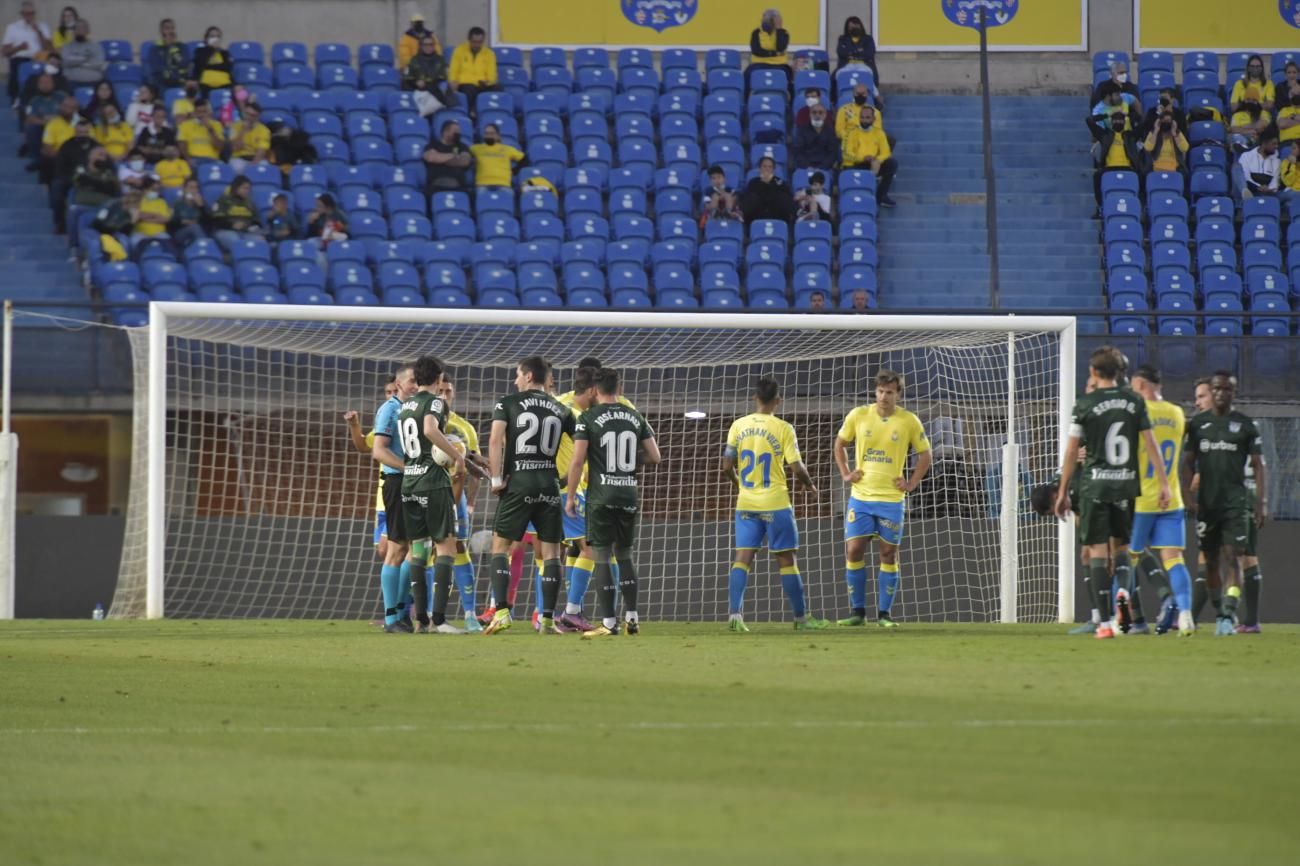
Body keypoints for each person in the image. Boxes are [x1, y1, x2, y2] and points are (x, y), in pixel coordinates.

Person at [1054, 347, 1168, 640]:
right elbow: (1151, 444)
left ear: (1093, 372)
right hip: (1127, 484)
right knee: (1122, 549)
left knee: (1096, 551)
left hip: (1095, 485)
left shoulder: (1085, 404)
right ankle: (1122, 590)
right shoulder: (1134, 401)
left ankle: (1104, 623)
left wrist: (1063, 490)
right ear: (1120, 372)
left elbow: (1070, 450)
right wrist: (1165, 483)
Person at [719, 376, 828, 633]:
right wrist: (809, 484)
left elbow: (725, 466)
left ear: (755, 398)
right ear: (778, 401)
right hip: (775, 502)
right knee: (787, 560)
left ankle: (735, 615)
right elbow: (796, 466)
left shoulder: (738, 425)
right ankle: (801, 620)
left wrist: (740, 485)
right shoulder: (784, 428)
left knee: (742, 558)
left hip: (746, 503)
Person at [565, 368, 661, 638]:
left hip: (602, 496)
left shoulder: (588, 418)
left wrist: (571, 496)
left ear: (595, 390)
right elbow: (655, 456)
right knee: (626, 555)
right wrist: (629, 462)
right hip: (629, 493)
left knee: (603, 556)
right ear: (619, 387)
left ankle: (609, 622)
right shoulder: (634, 415)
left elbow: (577, 460)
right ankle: (633, 618)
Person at [482, 355, 574, 635]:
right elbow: (585, 445)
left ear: (529, 376)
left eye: (518, 374)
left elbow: (496, 440)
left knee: (500, 547)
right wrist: (565, 479)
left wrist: (496, 479)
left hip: (517, 484)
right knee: (551, 554)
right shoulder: (562, 409)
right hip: (548, 485)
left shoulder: (507, 403)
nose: (515, 380)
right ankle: (546, 618)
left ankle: (501, 613)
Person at [833, 369, 932, 628]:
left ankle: (885, 615)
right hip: (861, 497)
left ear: (898, 394)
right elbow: (839, 444)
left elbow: (925, 455)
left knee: (888, 554)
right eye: (879, 391)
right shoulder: (859, 415)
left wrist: (910, 483)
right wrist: (846, 473)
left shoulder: (909, 421)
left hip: (891, 500)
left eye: (889, 392)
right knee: (854, 550)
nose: (883, 396)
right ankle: (857, 612)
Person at [1186, 373, 1267, 637]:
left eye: (1226, 389)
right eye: (1216, 389)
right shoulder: (1198, 425)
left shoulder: (1244, 426)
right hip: (1207, 505)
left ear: (1234, 392)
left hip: (1236, 503)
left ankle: (1227, 614)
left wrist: (1260, 502)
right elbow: (1186, 462)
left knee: (1236, 558)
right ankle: (1220, 611)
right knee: (1209, 562)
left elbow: (1258, 466)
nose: (1221, 394)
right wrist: (1188, 497)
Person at [398, 355, 470, 634]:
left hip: (410, 483)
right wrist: (458, 458)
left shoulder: (406, 406)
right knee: (446, 548)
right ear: (439, 379)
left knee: (418, 551)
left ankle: (421, 621)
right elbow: (429, 429)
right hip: (433, 483)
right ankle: (439, 620)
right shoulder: (437, 402)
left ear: (416, 378)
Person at [1127, 365, 1195, 636]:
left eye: (1133, 387)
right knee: (1174, 559)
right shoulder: (1177, 413)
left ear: (1142, 385)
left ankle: (1121, 619)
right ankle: (1187, 615)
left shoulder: (1137, 413)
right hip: (1172, 498)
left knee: (1127, 560)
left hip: (1141, 498)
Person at [435, 376, 486, 632]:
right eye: (440, 390)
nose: (444, 395)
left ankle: (469, 614)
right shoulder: (427, 420)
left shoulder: (464, 428)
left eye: (448, 391)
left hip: (456, 495)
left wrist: (471, 503)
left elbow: (475, 469)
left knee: (458, 550)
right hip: (428, 491)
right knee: (423, 552)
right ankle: (425, 614)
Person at [372, 362, 416, 633]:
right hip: (397, 482)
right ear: (399, 384)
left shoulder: (414, 410)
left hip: (414, 483)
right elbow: (379, 450)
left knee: (413, 550)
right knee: (397, 549)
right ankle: (390, 618)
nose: (415, 385)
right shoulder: (390, 409)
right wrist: (408, 467)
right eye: (412, 381)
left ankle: (401, 613)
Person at [842, 104, 897, 207]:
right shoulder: (851, 133)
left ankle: (881, 197)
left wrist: (877, 160)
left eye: (867, 118)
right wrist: (862, 158)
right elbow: (847, 154)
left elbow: (886, 152)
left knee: (892, 164)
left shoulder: (879, 133)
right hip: (856, 164)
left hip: (874, 164)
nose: (864, 120)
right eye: (862, 117)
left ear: (873, 119)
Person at [1086, 104, 1142, 204]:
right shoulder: (1105, 135)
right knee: (1097, 176)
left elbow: (1144, 123)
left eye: (1121, 120)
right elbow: (1089, 120)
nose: (1118, 122)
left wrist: (1128, 114)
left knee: (1142, 176)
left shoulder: (1130, 136)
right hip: (1109, 168)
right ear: (1111, 122)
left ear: (1124, 122)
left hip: (1127, 167)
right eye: (1115, 120)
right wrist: (1106, 115)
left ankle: (1139, 206)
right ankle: (1100, 207)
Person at [48, 114, 94, 232]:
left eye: (85, 132)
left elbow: (103, 165)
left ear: (89, 132)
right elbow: (59, 166)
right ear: (75, 132)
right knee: (57, 187)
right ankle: (60, 223)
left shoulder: (96, 146)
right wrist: (71, 176)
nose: (82, 135)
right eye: (80, 132)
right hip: (68, 177)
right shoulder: (67, 145)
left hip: (91, 178)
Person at [3, 2, 53, 104]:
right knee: (17, 75)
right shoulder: (13, 27)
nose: (29, 16)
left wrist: (38, 32)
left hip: (39, 60)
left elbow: (49, 48)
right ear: (21, 14)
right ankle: (16, 100)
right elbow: (4, 52)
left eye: (31, 13)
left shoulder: (42, 26)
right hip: (19, 60)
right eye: (26, 13)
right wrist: (18, 48)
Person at [448, 26, 498, 115]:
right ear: (469, 40)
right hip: (465, 84)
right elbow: (453, 69)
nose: (477, 45)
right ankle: (470, 113)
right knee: (470, 89)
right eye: (474, 42)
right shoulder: (459, 51)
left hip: (482, 85)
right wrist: (453, 81)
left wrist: (488, 82)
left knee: (498, 87)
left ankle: (476, 110)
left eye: (480, 42)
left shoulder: (489, 54)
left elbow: (492, 74)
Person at [21, 72, 63, 171]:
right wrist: (46, 122)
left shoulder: (61, 97)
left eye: (48, 82)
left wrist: (54, 121)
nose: (45, 85)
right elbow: (30, 118)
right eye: (42, 83)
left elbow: (70, 113)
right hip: (42, 128)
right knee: (31, 127)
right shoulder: (34, 100)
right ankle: (36, 159)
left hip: (60, 127)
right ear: (38, 85)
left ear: (53, 84)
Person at [210, 175, 262, 251]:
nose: (247, 191)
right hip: (225, 231)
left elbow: (256, 222)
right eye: (245, 188)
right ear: (236, 188)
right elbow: (216, 220)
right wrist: (232, 225)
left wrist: (247, 226)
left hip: (246, 232)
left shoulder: (250, 204)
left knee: (259, 241)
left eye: (249, 189)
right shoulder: (223, 200)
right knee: (236, 242)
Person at [745, 8, 790, 95]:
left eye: (770, 19)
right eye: (765, 18)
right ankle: (747, 101)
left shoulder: (784, 33)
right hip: (759, 63)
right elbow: (756, 51)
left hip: (779, 65)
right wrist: (774, 53)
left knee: (787, 76)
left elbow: (780, 47)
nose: (766, 21)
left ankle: (786, 101)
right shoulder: (756, 32)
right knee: (748, 74)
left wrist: (778, 29)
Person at [739, 155, 794, 223]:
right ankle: (740, 213)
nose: (767, 169)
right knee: (752, 197)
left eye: (770, 167)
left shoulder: (779, 182)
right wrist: (764, 182)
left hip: (777, 211)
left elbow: (786, 196)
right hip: (757, 212)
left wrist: (770, 183)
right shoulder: (753, 181)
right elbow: (751, 196)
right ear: (760, 168)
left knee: (783, 196)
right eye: (764, 166)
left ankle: (799, 214)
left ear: (773, 170)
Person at [422, 119, 471, 194]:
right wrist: (455, 156)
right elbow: (430, 158)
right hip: (435, 186)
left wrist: (439, 157)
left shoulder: (462, 146)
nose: (458, 133)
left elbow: (465, 161)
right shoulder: (432, 146)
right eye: (455, 131)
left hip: (458, 186)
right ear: (445, 132)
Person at [469, 122, 523, 188]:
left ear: (497, 135)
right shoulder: (476, 148)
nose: (489, 136)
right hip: (482, 184)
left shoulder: (507, 149)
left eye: (492, 133)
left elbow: (524, 160)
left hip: (503, 184)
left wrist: (514, 171)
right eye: (486, 133)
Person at [36, 89, 75, 179]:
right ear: (60, 107)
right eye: (65, 106)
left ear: (76, 109)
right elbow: (47, 146)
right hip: (58, 157)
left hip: (78, 158)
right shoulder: (53, 123)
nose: (67, 109)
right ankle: (46, 187)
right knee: (45, 155)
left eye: (70, 107)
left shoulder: (83, 123)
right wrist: (62, 157)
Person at [1142, 103, 1188, 178]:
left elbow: (1185, 148)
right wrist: (1156, 131)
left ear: (1172, 122)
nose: (1166, 123)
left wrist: (1174, 134)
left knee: (1185, 174)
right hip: (1156, 166)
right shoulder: (1154, 133)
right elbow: (1148, 148)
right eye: (1164, 121)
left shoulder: (1177, 133)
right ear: (1159, 122)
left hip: (1175, 167)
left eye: (1168, 121)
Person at [402, 33, 448, 106]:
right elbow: (408, 78)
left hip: (434, 91)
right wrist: (416, 82)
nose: (428, 47)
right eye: (425, 45)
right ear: (421, 46)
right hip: (418, 91)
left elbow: (443, 77)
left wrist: (427, 84)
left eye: (431, 45)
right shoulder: (414, 60)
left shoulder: (440, 60)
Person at [129, 175, 170, 255]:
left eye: (157, 190)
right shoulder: (137, 201)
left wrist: (145, 217)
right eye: (153, 190)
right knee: (135, 245)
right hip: (140, 234)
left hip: (160, 234)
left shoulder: (162, 202)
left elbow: (165, 219)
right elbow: (136, 217)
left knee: (169, 246)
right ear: (145, 189)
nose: (155, 192)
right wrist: (156, 215)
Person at [1235, 129, 1281, 200]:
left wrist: (1268, 188)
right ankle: (1245, 194)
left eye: (1277, 144)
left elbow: (1275, 182)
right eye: (1273, 144)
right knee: (1236, 167)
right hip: (1249, 189)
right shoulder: (1247, 156)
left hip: (1267, 193)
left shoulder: (1277, 161)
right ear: (1264, 143)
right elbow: (1245, 177)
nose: (1276, 146)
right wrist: (1258, 187)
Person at [177, 98, 224, 163]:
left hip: (212, 159)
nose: (202, 115)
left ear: (209, 112)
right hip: (194, 159)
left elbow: (219, 146)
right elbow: (182, 146)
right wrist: (188, 160)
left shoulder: (216, 125)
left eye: (204, 112)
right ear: (194, 113)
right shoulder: (185, 125)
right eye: (199, 112)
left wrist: (209, 129)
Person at [147, 18, 187, 93]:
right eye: (167, 28)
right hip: (161, 83)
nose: (170, 31)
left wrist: (172, 48)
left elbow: (184, 63)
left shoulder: (182, 46)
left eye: (172, 28)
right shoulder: (155, 48)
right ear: (161, 31)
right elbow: (156, 67)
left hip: (179, 82)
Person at [792, 103, 837, 170]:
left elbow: (832, 152)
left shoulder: (830, 131)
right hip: (805, 167)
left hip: (825, 168)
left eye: (820, 113)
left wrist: (822, 167)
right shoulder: (802, 130)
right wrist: (807, 167)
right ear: (810, 115)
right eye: (814, 112)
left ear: (825, 115)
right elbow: (798, 151)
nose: (817, 115)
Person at [227, 101, 269, 173]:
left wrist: (253, 167)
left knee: (264, 167)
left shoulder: (264, 130)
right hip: (239, 158)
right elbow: (235, 148)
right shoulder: (235, 127)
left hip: (255, 158)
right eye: (247, 114)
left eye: (252, 115)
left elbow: (261, 151)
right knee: (235, 167)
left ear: (258, 116)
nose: (249, 117)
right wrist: (243, 131)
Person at [836, 15, 879, 85]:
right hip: (847, 65)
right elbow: (841, 52)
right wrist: (859, 51)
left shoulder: (868, 39)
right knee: (839, 74)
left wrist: (851, 53)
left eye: (856, 26)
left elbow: (869, 53)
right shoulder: (842, 39)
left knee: (864, 74)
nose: (854, 28)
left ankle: (872, 94)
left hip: (864, 65)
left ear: (860, 26)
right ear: (847, 28)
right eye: (851, 27)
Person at [191, 25, 232, 96]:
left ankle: (247, 105)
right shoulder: (200, 51)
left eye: (217, 37)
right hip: (206, 84)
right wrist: (212, 49)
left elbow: (227, 68)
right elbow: (202, 65)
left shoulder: (224, 53)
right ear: (206, 39)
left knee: (241, 93)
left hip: (224, 83)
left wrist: (211, 66)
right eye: (212, 37)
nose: (215, 39)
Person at [60, 17, 102, 85]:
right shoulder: (67, 47)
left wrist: (76, 62)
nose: (80, 30)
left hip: (94, 82)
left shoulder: (96, 46)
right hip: (71, 82)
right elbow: (66, 61)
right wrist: (85, 58)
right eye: (77, 28)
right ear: (74, 31)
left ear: (88, 30)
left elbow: (98, 63)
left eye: (83, 28)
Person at [168, 176, 206, 249]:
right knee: (194, 227)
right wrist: (182, 222)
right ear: (184, 189)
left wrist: (201, 207)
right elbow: (171, 224)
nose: (194, 190)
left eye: (196, 188)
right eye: (191, 187)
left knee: (196, 228)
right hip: (180, 234)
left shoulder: (202, 203)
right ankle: (203, 249)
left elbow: (208, 224)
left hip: (197, 233)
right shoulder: (177, 204)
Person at [1281, 141, 1300, 215]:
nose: (1291, 151)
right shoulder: (1286, 162)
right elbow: (1288, 182)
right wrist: (1292, 165)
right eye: (1291, 148)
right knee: (1290, 202)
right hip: (1292, 192)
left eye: (1294, 148)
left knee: (1288, 203)